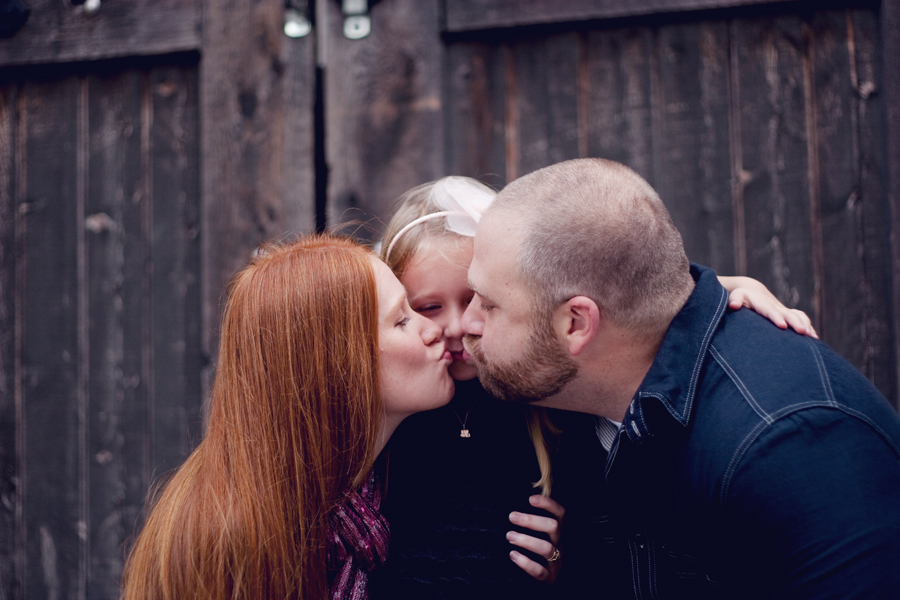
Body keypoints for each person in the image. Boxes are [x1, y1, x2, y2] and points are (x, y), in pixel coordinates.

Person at [460, 158, 900, 599]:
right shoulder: (574, 389)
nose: (466, 323)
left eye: (487, 303)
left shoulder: (787, 446)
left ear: (576, 324)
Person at [372, 175, 820, 599]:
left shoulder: (544, 389)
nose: (459, 326)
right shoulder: (395, 398)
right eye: (427, 308)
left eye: (478, 299)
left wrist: (732, 286)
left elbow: (625, 299)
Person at [120, 233, 454, 600]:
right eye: (401, 320)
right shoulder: (235, 537)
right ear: (335, 361)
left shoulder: (380, 483)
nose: (434, 329)